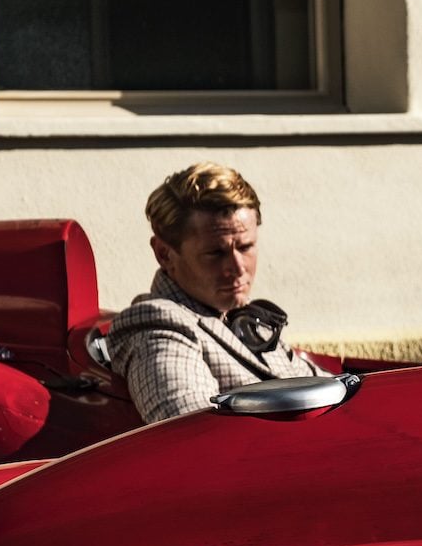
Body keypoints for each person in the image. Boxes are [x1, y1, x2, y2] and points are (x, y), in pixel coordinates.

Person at [108, 162, 327, 423]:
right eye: (216, 253)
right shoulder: (158, 326)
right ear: (164, 254)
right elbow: (194, 436)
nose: (238, 268)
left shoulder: (247, 321)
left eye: (245, 247)